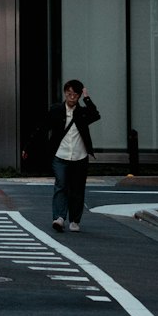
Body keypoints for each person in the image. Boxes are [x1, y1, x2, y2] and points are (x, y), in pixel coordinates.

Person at [44, 79, 101, 232]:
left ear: (78, 96)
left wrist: (87, 98)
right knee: (60, 185)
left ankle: (75, 220)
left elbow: (96, 115)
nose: (71, 97)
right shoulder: (56, 110)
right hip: (60, 156)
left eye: (75, 95)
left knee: (77, 189)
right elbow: (42, 127)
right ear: (65, 93)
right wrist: (28, 148)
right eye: (69, 94)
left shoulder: (82, 113)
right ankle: (59, 218)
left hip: (79, 157)